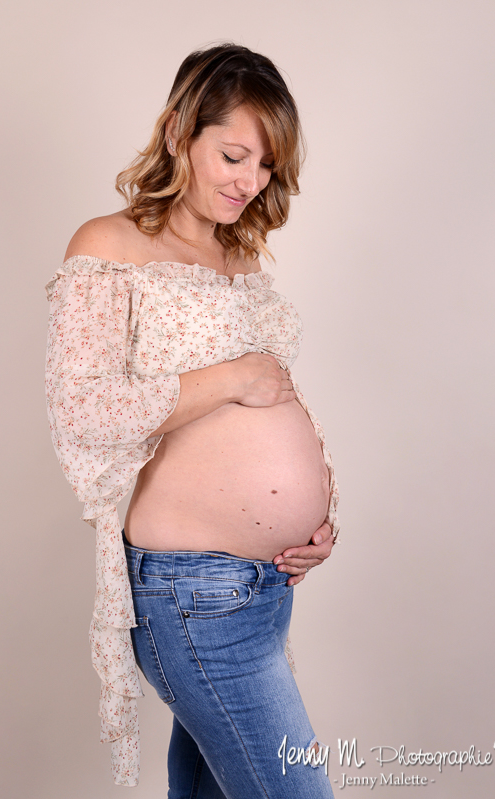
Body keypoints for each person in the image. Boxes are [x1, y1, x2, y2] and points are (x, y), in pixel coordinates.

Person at [46, 43, 339, 798]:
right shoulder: (108, 246)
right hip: (192, 595)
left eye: (266, 166)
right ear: (179, 132)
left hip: (262, 589)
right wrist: (228, 376)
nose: (252, 182)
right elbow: (83, 407)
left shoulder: (240, 257)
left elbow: (275, 402)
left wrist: (314, 515)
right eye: (235, 155)